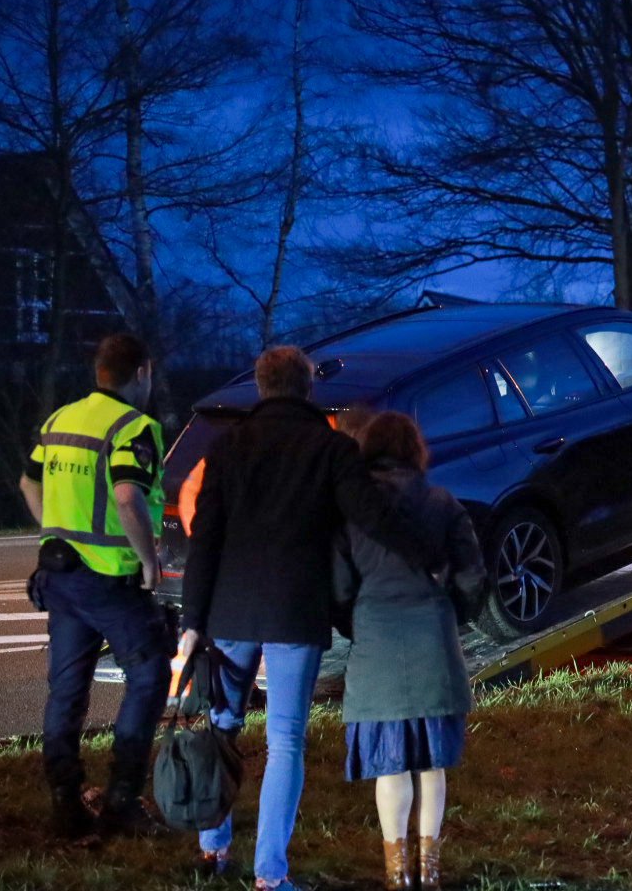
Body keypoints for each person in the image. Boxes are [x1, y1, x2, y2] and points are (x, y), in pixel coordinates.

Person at [179, 346, 416, 891]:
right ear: (309, 388)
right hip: (295, 607)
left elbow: (206, 539)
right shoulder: (329, 449)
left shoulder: (227, 448)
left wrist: (193, 621)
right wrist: (420, 551)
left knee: (221, 726)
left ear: (261, 388)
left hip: (230, 609)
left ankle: (212, 849)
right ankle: (269, 874)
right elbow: (370, 519)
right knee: (285, 739)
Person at [20, 332, 172, 840]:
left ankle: (65, 802)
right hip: (110, 578)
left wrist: (55, 531)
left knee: (67, 687)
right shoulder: (134, 426)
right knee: (149, 676)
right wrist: (149, 563)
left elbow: (28, 482)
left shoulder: (60, 419)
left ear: (98, 372)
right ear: (142, 373)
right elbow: (128, 497)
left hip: (59, 576)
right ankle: (123, 800)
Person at [333, 411, 485, 891]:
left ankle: (396, 873)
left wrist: (357, 624)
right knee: (431, 764)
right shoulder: (442, 503)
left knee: (390, 765)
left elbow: (336, 585)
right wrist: (454, 613)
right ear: (415, 451)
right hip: (432, 637)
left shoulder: (351, 510)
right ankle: (430, 869)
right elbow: (472, 573)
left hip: (376, 636)